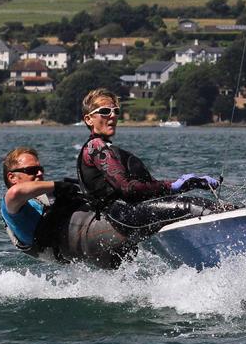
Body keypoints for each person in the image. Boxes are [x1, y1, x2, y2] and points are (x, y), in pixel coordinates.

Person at [76, 88, 224, 236]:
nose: (113, 116)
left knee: (194, 202)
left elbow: (146, 189)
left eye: (116, 111)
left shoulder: (107, 148)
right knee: (191, 206)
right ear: (89, 119)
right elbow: (127, 190)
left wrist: (190, 183)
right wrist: (174, 185)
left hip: (129, 210)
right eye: (105, 111)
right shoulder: (95, 146)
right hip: (120, 215)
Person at [1, 147, 86, 259]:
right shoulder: (11, 202)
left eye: (40, 169)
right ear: (12, 177)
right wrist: (58, 185)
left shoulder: (44, 195)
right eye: (32, 170)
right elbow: (15, 192)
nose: (40, 173)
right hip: (58, 246)